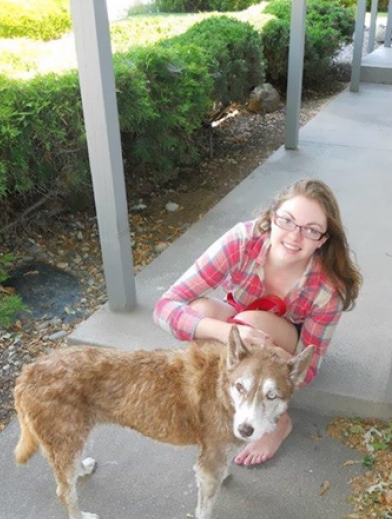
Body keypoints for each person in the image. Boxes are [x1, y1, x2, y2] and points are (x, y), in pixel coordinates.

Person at [154, 178, 361, 466]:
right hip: (237, 320)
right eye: (287, 220)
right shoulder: (242, 241)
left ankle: (277, 421)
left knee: (249, 320)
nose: (295, 236)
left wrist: (267, 351)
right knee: (201, 310)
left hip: (283, 343)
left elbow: (308, 369)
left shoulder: (327, 289)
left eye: (311, 230)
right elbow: (165, 307)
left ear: (323, 240)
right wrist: (228, 331)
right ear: (272, 216)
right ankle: (233, 397)